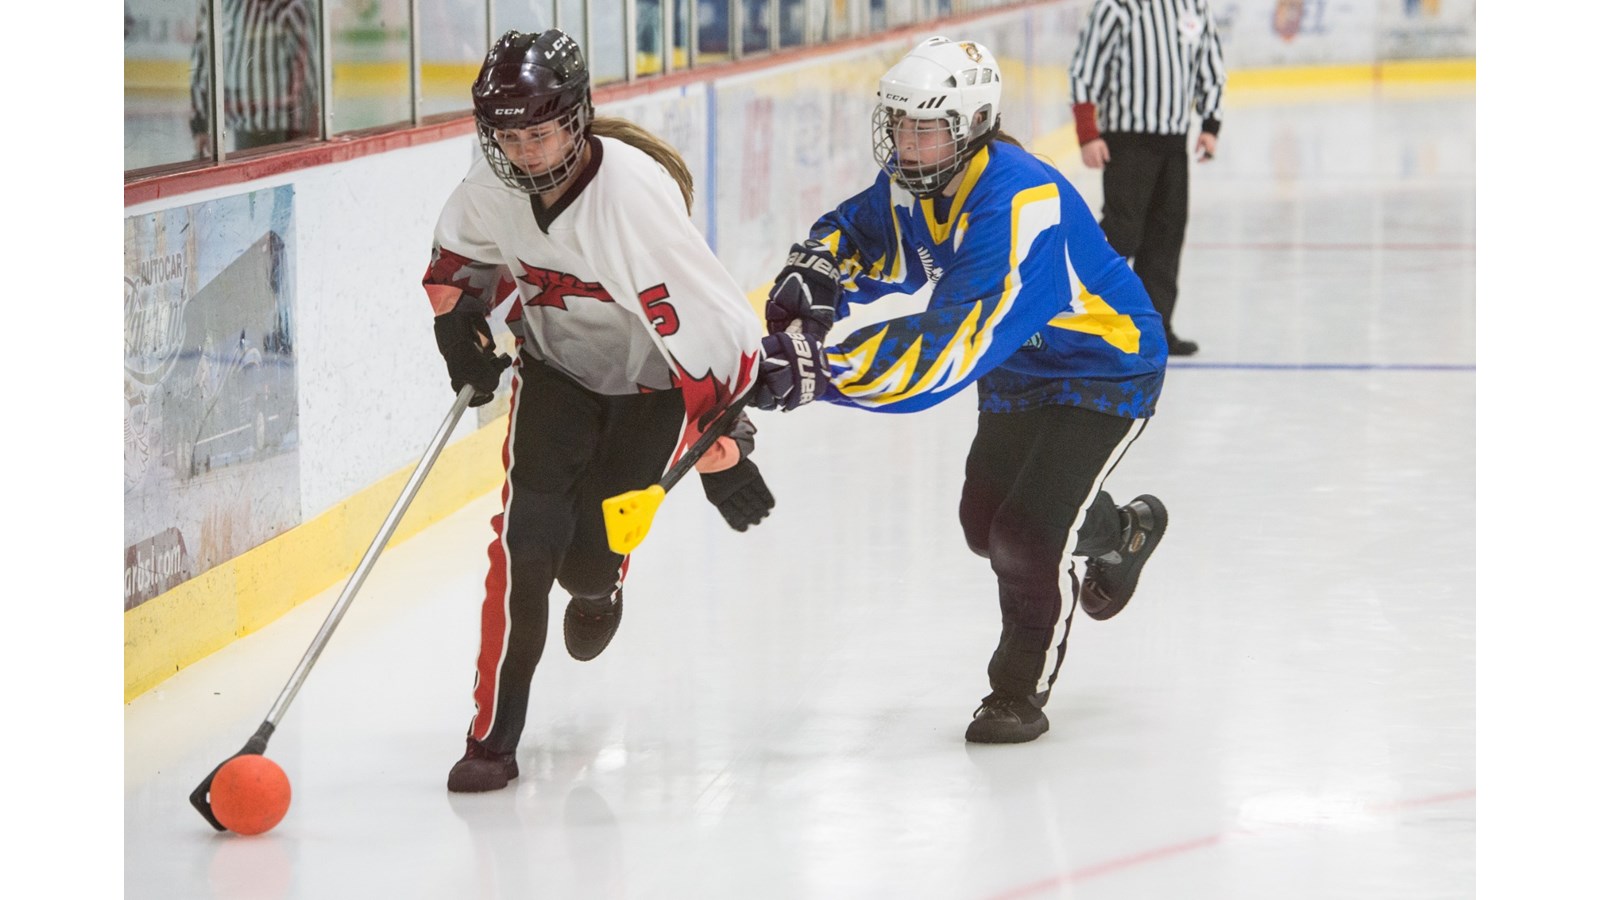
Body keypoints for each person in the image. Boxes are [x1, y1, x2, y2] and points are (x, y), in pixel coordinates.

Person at [424, 29, 820, 792]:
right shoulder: (490, 187)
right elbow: (457, 260)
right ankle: (493, 738)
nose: (525, 151)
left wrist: (723, 449)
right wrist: (456, 326)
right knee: (524, 547)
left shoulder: (631, 199)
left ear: (575, 119)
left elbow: (719, 334)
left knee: (585, 563)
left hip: (654, 392)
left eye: (539, 132)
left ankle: (604, 584)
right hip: (555, 377)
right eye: (508, 135)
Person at [759, 37, 1170, 744]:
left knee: (1027, 535)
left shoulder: (1019, 202)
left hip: (1105, 369)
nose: (904, 144)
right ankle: (1124, 532)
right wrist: (822, 268)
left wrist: (821, 370)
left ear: (972, 126)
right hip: (1020, 370)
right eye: (898, 125)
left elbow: (946, 347)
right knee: (983, 526)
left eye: (924, 129)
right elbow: (861, 231)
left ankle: (1016, 691)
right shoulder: (926, 180)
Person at [1069, 0, 1227, 356]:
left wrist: (1210, 124)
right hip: (1127, 144)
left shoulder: (1193, 7)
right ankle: (1087, 320)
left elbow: (1210, 65)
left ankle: (1154, 329)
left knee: (1166, 237)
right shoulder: (1119, 6)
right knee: (1121, 234)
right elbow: (1084, 68)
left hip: (1173, 145)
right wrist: (1087, 133)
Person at [189, 0, 321, 156]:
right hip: (251, 119)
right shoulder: (220, 4)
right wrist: (200, 123)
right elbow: (202, 57)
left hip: (279, 122)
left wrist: (313, 119)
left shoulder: (289, 5)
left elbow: (308, 65)